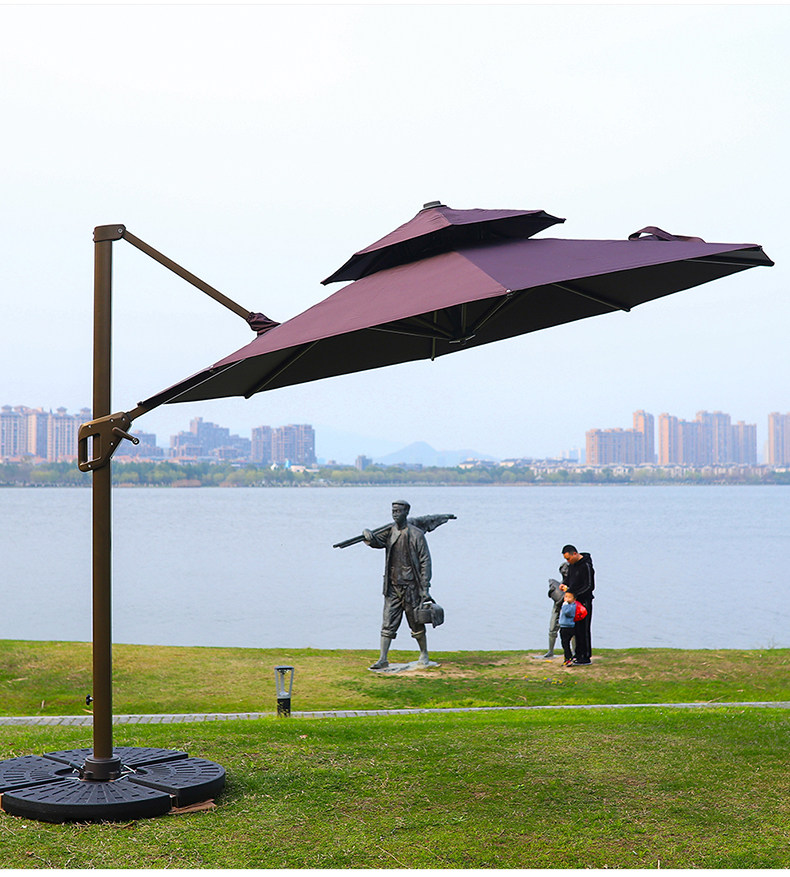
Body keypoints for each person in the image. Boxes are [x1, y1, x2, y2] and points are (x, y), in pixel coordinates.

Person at [363, 500, 432, 670]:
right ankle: (383, 658)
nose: (395, 514)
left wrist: (425, 588)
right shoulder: (390, 531)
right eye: (393, 511)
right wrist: (368, 536)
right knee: (388, 623)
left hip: (411, 587)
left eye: (398, 511)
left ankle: (424, 654)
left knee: (416, 622)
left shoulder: (416, 534)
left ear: (406, 512)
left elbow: (425, 561)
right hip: (392, 586)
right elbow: (376, 542)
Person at [560, 544, 595, 664]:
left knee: (584, 629)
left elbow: (590, 586)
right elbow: (569, 579)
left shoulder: (586, 565)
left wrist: (574, 594)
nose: (568, 561)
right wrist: (564, 584)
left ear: (574, 554)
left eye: (568, 558)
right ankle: (578, 654)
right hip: (573, 602)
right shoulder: (572, 565)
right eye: (566, 559)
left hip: (584, 602)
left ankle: (585, 656)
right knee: (576, 629)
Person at [536, 561, 570, 659]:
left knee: (571, 629)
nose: (565, 571)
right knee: (552, 628)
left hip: (569, 607)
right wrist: (552, 592)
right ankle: (550, 651)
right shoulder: (559, 584)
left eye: (567, 569)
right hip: (557, 607)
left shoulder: (573, 584)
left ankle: (574, 651)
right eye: (563, 569)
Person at [557, 590, 578, 666]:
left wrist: (565, 605)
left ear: (574, 599)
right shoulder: (567, 605)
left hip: (568, 627)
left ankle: (568, 658)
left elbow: (567, 612)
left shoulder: (572, 606)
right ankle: (568, 657)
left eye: (569, 597)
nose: (567, 599)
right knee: (564, 643)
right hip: (563, 626)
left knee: (566, 643)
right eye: (566, 597)